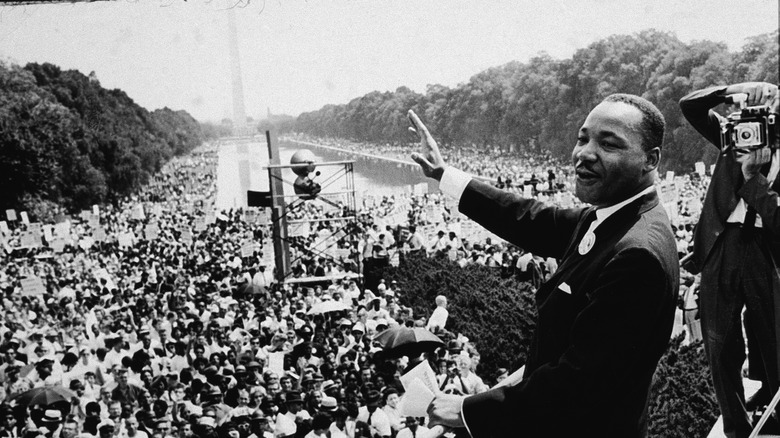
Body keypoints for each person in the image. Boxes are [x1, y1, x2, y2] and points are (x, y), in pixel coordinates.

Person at [408, 93, 679, 437]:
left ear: (650, 160)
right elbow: (527, 218)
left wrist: (466, 410)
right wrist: (444, 175)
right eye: (583, 138)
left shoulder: (637, 254)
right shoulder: (611, 216)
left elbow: (577, 380)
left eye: (608, 145)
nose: (585, 153)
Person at [679, 81, 780, 438]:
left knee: (773, 336)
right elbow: (689, 106)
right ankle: (737, 425)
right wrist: (734, 90)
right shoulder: (732, 134)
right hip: (722, 244)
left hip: (764, 248)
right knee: (720, 342)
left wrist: (754, 178)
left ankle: (773, 407)